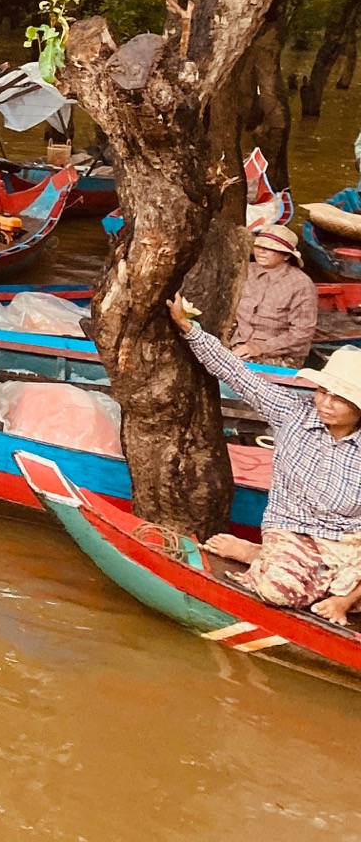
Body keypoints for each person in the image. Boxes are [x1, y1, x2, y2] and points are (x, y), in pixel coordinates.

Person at [170, 296, 361, 627]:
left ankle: (341, 597)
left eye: (339, 399)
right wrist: (189, 328)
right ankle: (261, 555)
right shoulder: (293, 414)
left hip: (349, 542)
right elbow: (236, 373)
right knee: (279, 590)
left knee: (334, 583)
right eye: (322, 392)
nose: (326, 403)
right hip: (294, 532)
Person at [227, 224, 320, 366]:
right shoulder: (246, 271)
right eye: (258, 246)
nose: (262, 251)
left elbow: (302, 333)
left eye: (270, 248)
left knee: (234, 369)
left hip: (280, 353)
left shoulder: (301, 285)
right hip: (239, 344)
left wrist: (259, 348)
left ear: (287, 255)